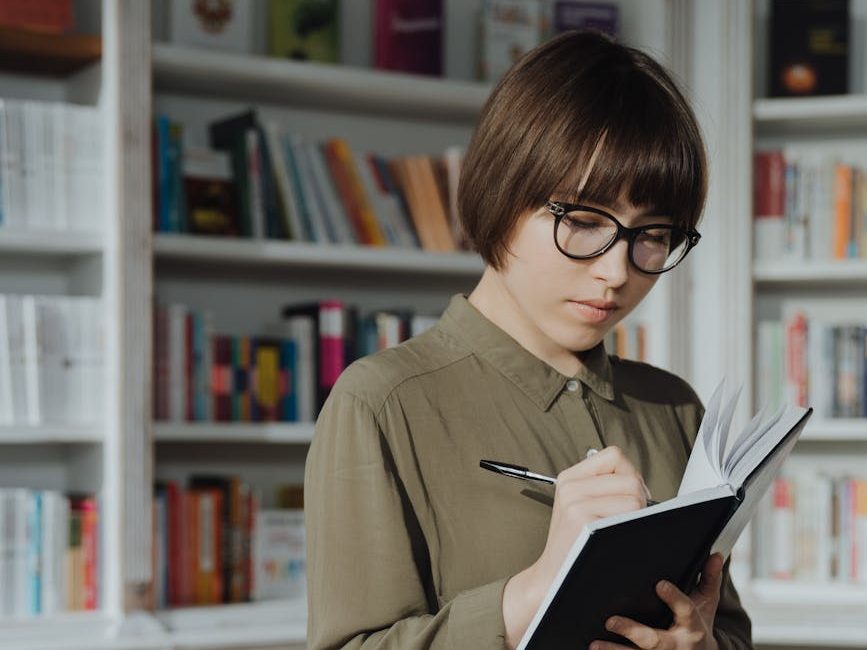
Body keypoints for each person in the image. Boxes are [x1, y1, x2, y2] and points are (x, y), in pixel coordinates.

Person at [305, 30, 753, 650]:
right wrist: (536, 589)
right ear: (500, 191)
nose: (617, 272)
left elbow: (729, 631)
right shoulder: (381, 403)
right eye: (585, 221)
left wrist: (697, 644)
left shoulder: (674, 408)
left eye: (653, 234)